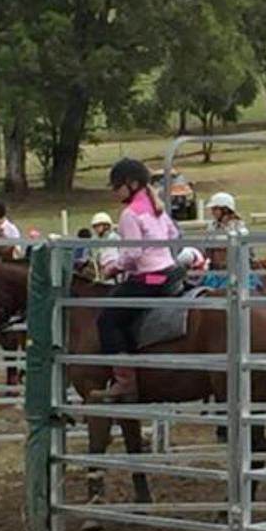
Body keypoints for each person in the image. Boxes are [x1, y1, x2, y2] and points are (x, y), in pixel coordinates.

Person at [90, 158, 183, 403]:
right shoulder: (156, 208)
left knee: (108, 319)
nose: (114, 191)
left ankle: (124, 382)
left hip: (150, 278)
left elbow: (133, 253)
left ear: (131, 184)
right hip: (169, 273)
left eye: (117, 186)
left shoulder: (130, 214)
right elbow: (174, 235)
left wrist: (113, 267)